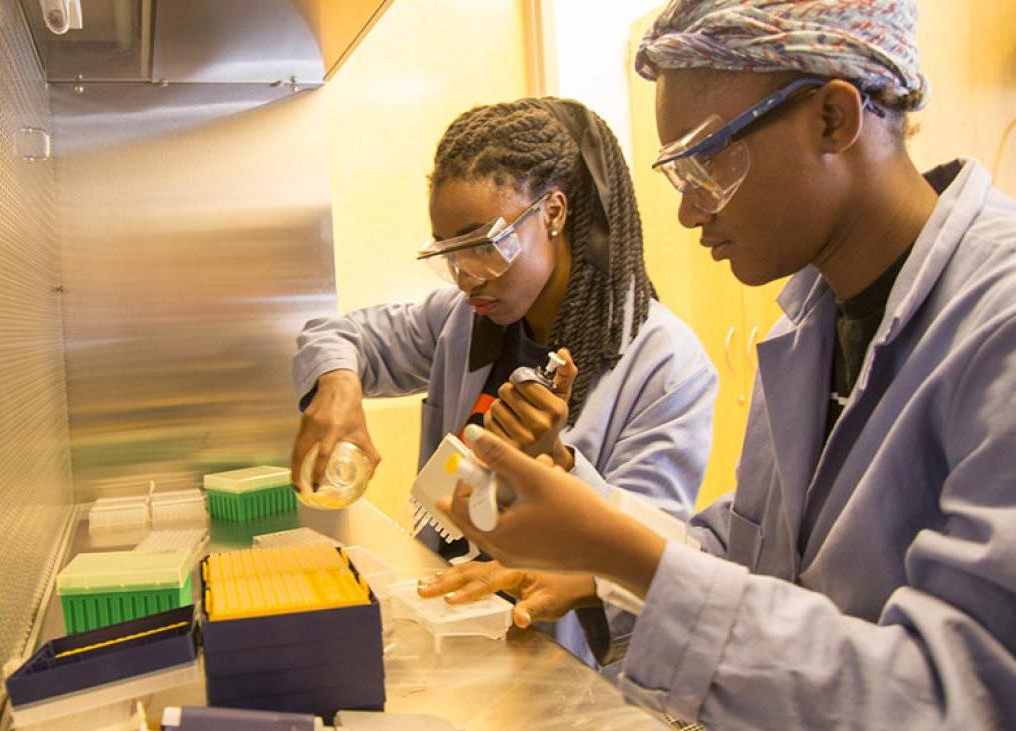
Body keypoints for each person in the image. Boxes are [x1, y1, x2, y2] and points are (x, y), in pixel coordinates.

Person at [430, 1, 1016, 728]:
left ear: (833, 118)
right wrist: (604, 565)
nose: (688, 212)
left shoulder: (1000, 322)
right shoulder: (810, 318)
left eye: (707, 161)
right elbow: (753, 559)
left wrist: (626, 554)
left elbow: (965, 698)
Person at [290, 98, 718, 662]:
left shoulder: (665, 362)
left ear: (554, 213)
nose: (467, 277)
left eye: (482, 245)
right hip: (448, 626)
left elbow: (649, 564)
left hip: (553, 660)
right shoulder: (464, 320)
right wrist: (339, 386)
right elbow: (336, 336)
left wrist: (557, 463)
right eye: (450, 252)